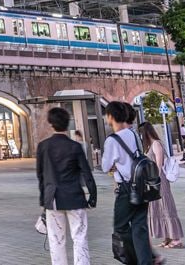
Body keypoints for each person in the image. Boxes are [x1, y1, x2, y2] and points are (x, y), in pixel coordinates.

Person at [37, 107, 96, 265]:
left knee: (56, 241)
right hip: (75, 198)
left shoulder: (43, 146)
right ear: (67, 124)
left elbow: (40, 175)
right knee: (80, 238)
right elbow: (87, 174)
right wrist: (92, 197)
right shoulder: (75, 147)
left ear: (51, 124)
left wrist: (44, 200)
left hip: (53, 199)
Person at [101, 101, 153, 265]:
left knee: (121, 227)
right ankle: (146, 261)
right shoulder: (133, 134)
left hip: (126, 189)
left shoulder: (112, 140)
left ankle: (133, 260)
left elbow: (105, 166)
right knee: (140, 227)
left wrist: (115, 166)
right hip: (142, 185)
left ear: (110, 116)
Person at [138, 122, 183, 249]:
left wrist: (154, 180)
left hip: (159, 180)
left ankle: (176, 239)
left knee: (166, 206)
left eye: (141, 133)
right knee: (158, 207)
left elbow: (158, 164)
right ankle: (167, 237)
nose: (140, 136)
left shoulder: (156, 144)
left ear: (146, 133)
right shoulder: (149, 146)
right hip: (153, 180)